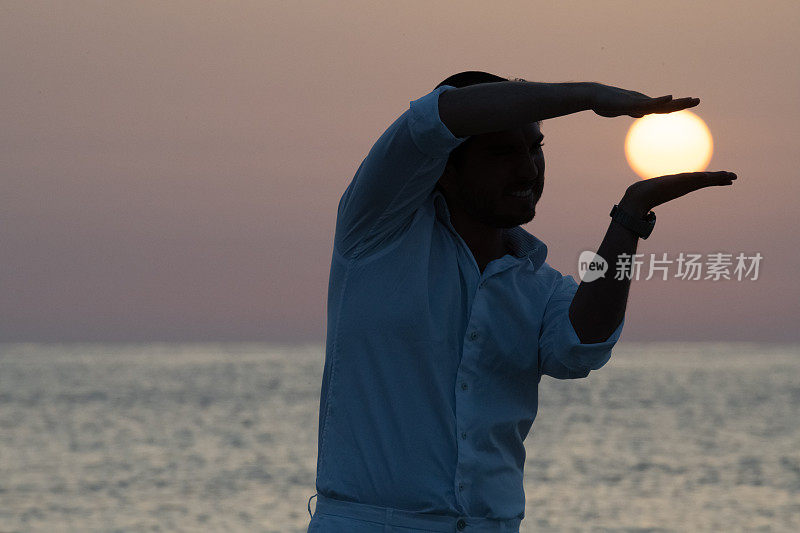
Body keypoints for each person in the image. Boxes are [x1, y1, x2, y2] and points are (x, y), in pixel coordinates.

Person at [306, 71, 737, 532]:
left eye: (535, 148)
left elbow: (581, 346)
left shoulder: (537, 282)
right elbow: (435, 118)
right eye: (502, 153)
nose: (529, 170)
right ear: (445, 168)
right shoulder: (376, 229)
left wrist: (631, 217)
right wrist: (588, 95)